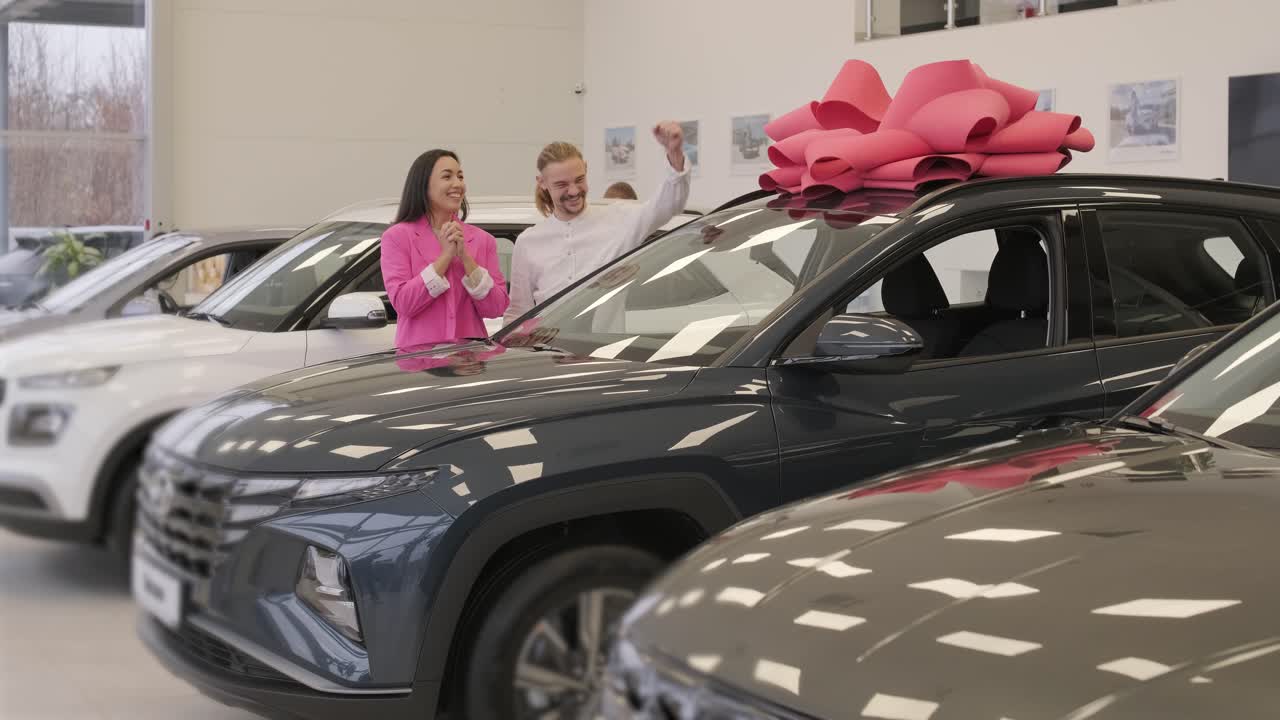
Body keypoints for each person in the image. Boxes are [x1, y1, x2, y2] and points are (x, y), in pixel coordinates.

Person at [503, 121, 690, 325]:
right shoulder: (528, 242)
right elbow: (518, 312)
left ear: (586, 168)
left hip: (602, 345)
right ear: (542, 183)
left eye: (579, 180)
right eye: (561, 184)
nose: (573, 191)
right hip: (548, 345)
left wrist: (675, 154)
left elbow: (668, 205)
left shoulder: (619, 220)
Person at [380, 149, 509, 348]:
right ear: (423, 184)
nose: (457, 184)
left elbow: (496, 308)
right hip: (419, 358)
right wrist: (446, 256)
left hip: (469, 357)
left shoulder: (483, 240)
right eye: (447, 177)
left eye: (460, 176)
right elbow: (404, 304)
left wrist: (465, 258)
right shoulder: (397, 237)